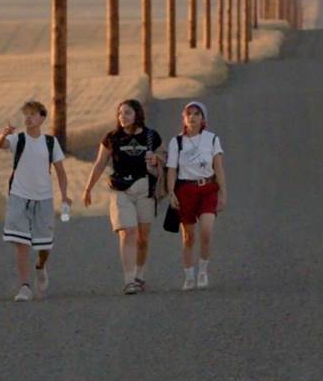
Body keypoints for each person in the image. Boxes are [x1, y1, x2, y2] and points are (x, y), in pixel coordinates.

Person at [81, 99, 164, 295]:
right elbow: (100, 164)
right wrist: (88, 188)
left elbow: (165, 157)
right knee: (128, 232)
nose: (122, 117)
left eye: (127, 112)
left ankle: (139, 275)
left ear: (137, 114)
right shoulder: (112, 138)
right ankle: (129, 280)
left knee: (143, 238)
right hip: (120, 190)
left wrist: (156, 159)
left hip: (145, 189)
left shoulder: (151, 136)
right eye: (119, 113)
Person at [0, 100, 70, 302]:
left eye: (33, 114)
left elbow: (60, 171)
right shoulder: (17, 139)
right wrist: (3, 134)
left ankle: (40, 265)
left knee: (44, 245)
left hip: (43, 198)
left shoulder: (50, 142)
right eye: (26, 114)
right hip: (19, 196)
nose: (28, 118)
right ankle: (24, 286)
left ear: (42, 118)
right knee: (21, 242)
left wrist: (64, 195)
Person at [165, 101, 226, 291]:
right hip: (186, 190)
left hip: (207, 188)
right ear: (184, 118)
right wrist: (171, 192)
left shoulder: (212, 139)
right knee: (188, 236)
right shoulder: (176, 142)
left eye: (196, 114)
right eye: (188, 114)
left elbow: (218, 167)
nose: (192, 117)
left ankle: (203, 272)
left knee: (206, 231)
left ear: (203, 118)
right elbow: (171, 169)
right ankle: (189, 275)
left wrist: (223, 192)